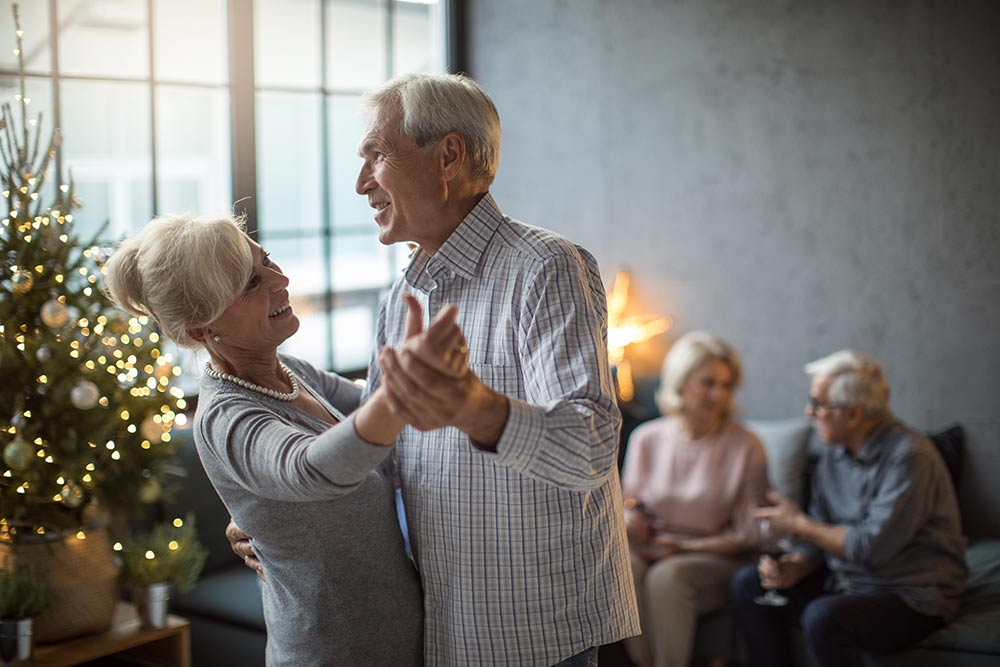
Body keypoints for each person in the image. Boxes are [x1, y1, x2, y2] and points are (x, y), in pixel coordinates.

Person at [229, 72, 640, 666]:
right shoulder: (400, 296)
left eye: (376, 155)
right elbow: (380, 438)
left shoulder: (547, 267)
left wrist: (475, 408)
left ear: (449, 156)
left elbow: (591, 446)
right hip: (437, 622)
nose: (360, 183)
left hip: (535, 628)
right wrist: (274, 520)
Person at [104, 213, 469, 666]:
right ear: (202, 329)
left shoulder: (291, 373)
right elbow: (310, 468)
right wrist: (399, 395)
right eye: (251, 283)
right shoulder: (225, 417)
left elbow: (397, 429)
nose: (281, 280)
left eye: (268, 261)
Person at [730, 350, 967, 667]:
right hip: (849, 583)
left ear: (853, 414)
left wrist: (798, 524)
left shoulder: (910, 457)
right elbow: (822, 531)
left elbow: (869, 547)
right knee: (748, 583)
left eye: (818, 404)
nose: (808, 412)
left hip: (911, 595)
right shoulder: (836, 451)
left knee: (824, 617)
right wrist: (796, 565)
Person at [620, 332, 768, 667]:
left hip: (713, 557)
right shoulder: (646, 438)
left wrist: (683, 549)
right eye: (708, 383)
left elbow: (749, 535)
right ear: (681, 382)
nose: (719, 394)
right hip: (652, 549)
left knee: (668, 577)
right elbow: (627, 504)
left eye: (727, 385)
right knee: (623, 567)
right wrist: (631, 519)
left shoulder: (746, 445)